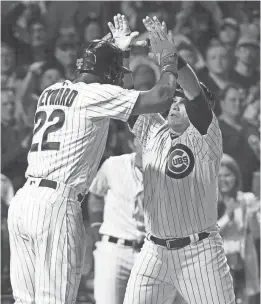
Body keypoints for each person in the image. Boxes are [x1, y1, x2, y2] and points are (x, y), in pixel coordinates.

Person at [7, 14, 180, 304]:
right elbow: (161, 97)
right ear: (109, 73)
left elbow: (104, 75)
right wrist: (169, 59)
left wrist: (116, 49)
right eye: (117, 71)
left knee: (25, 300)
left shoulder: (50, 91)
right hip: (56, 205)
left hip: (24, 202)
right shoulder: (95, 95)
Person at [124, 17, 235, 304]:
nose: (175, 103)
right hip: (153, 253)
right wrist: (122, 54)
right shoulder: (154, 130)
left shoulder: (205, 134)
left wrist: (172, 57)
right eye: (173, 99)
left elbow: (195, 92)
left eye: (181, 100)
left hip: (199, 253)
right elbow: (126, 98)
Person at [88, 135, 146, 304]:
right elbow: (96, 193)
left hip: (149, 252)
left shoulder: (171, 171)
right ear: (132, 142)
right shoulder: (114, 164)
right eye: (144, 138)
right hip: (114, 249)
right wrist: (96, 223)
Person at [218, 154, 260, 304]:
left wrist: (254, 215)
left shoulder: (246, 199)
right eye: (219, 175)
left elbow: (256, 234)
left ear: (236, 176)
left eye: (227, 175)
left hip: (243, 262)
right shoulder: (209, 203)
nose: (223, 180)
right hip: (219, 265)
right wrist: (227, 216)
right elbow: (207, 235)